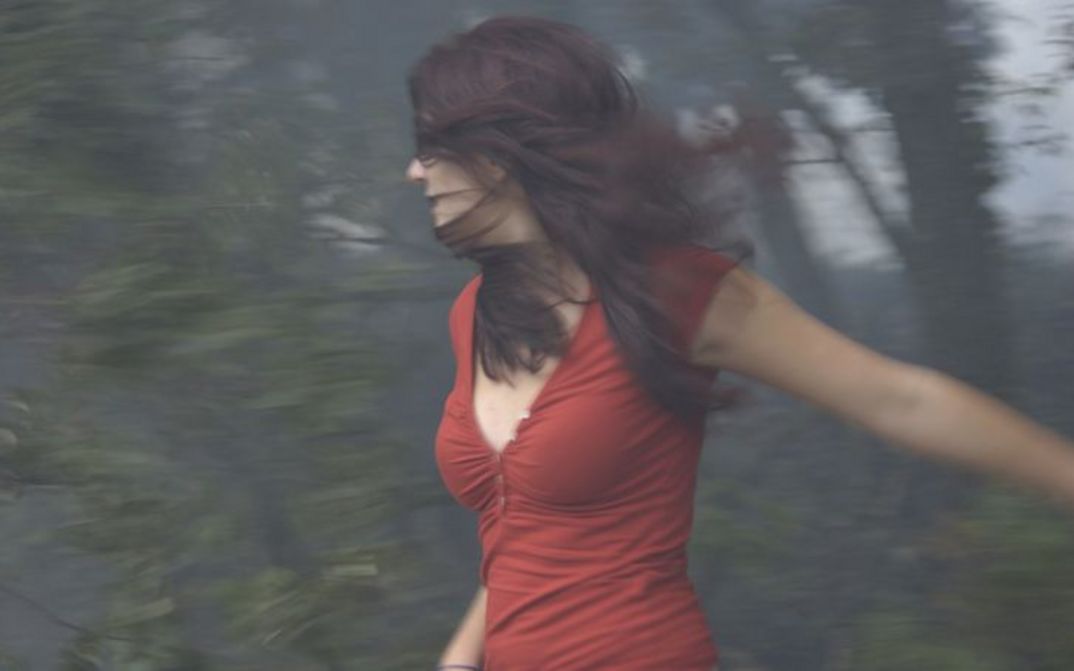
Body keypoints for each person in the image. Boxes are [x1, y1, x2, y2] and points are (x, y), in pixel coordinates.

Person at [403, 15, 1074, 671]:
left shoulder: (675, 293)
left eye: (432, 148)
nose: (415, 171)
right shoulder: (481, 314)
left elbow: (900, 399)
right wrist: (463, 655)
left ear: (502, 156)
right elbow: (528, 522)